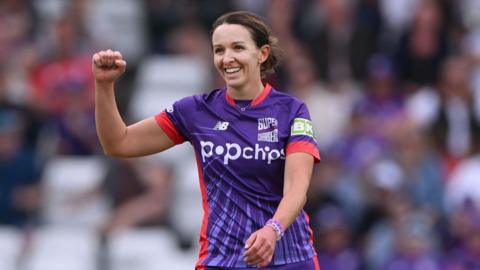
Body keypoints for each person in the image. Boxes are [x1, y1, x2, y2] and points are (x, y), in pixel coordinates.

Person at [93, 11, 321, 270]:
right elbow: (118, 143)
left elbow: (296, 188)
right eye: (219, 50)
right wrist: (104, 86)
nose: (227, 58)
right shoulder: (195, 111)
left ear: (263, 54)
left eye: (238, 47)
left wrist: (273, 230)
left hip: (288, 259)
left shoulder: (292, 111)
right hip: (222, 261)